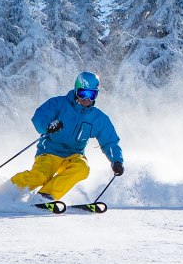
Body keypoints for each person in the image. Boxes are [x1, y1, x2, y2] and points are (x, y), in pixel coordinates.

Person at [10, 71, 125, 201]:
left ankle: (45, 196)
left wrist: (116, 161)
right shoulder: (59, 104)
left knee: (82, 169)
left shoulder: (98, 118)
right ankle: (9, 190)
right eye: (83, 93)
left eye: (91, 94)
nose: (86, 99)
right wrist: (48, 126)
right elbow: (39, 118)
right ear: (76, 90)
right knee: (41, 176)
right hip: (49, 151)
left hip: (74, 155)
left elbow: (110, 141)